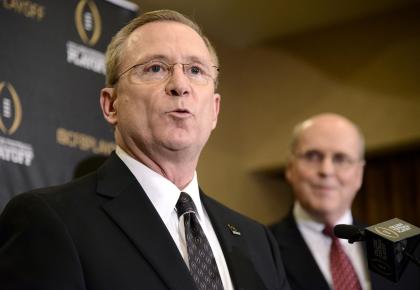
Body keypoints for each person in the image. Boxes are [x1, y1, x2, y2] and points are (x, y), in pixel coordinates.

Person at [0, 10, 290, 290]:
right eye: (155, 68)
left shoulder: (258, 241)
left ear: (214, 110)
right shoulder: (49, 220)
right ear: (111, 105)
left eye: (195, 70)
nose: (179, 85)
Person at [269, 113, 420, 290]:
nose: (326, 170)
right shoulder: (262, 248)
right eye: (313, 156)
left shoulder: (403, 250)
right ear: (290, 168)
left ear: (359, 174)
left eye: (340, 159)